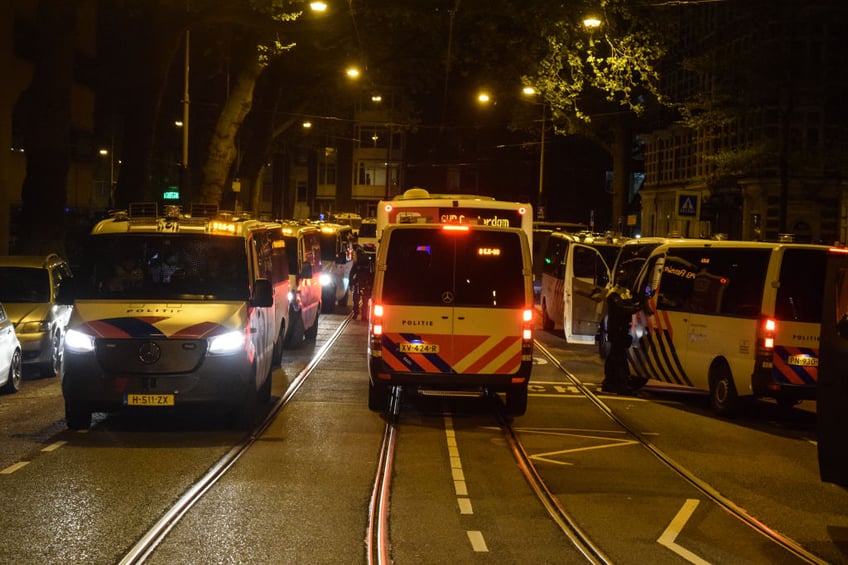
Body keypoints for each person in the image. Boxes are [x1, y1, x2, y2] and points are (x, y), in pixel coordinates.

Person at [602, 269, 641, 394]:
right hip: (616, 329)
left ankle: (610, 382)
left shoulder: (627, 292)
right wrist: (635, 308)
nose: (622, 278)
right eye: (621, 276)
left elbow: (630, 302)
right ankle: (620, 384)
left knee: (614, 356)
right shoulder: (614, 293)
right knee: (619, 357)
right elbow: (621, 309)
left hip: (623, 328)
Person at [350, 246, 375, 320]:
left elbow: (351, 274)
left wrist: (351, 284)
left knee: (356, 299)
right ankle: (364, 316)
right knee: (365, 300)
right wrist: (372, 284)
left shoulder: (357, 263)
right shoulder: (369, 263)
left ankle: (356, 313)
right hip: (366, 283)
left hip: (358, 283)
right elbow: (372, 274)